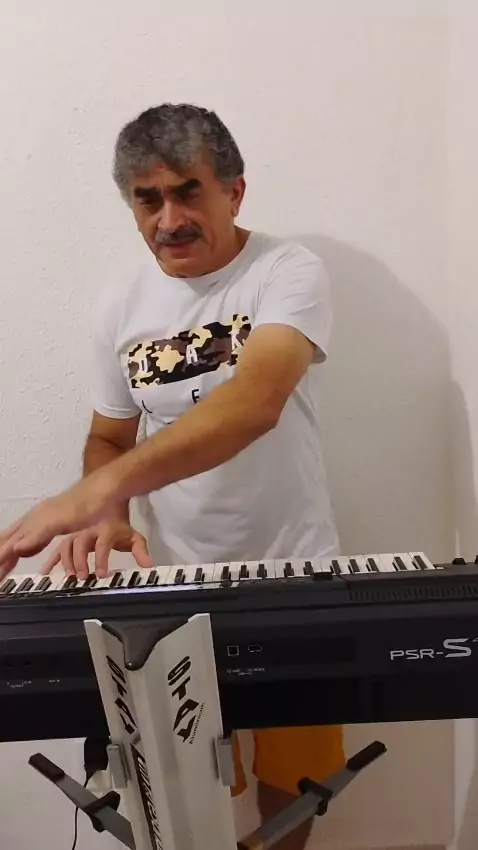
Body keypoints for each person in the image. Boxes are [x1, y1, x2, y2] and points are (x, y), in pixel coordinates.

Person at [0, 103, 344, 848]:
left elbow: (255, 403)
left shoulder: (286, 271)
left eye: (189, 192)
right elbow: (108, 436)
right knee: (189, 780)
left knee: (296, 781)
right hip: (175, 588)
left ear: (234, 192)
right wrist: (107, 510)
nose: (169, 220)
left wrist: (96, 490)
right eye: (147, 200)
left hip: (294, 570)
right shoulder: (119, 305)